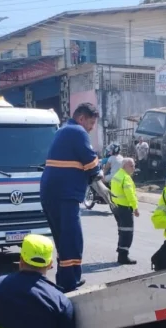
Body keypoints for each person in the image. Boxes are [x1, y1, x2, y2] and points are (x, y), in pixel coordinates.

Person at [40, 102, 108, 292]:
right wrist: (101, 180)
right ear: (81, 118)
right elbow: (91, 161)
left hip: (52, 193)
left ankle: (64, 279)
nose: (92, 128)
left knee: (63, 239)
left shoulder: (63, 130)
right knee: (72, 239)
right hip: (65, 194)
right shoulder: (77, 131)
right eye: (91, 123)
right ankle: (70, 282)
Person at [110, 157, 139, 265]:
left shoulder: (117, 175)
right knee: (127, 232)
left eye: (134, 165)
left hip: (116, 207)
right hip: (125, 208)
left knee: (122, 231)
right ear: (124, 166)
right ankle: (123, 256)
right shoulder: (126, 178)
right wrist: (135, 207)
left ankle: (121, 252)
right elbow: (130, 194)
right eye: (131, 165)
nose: (133, 168)